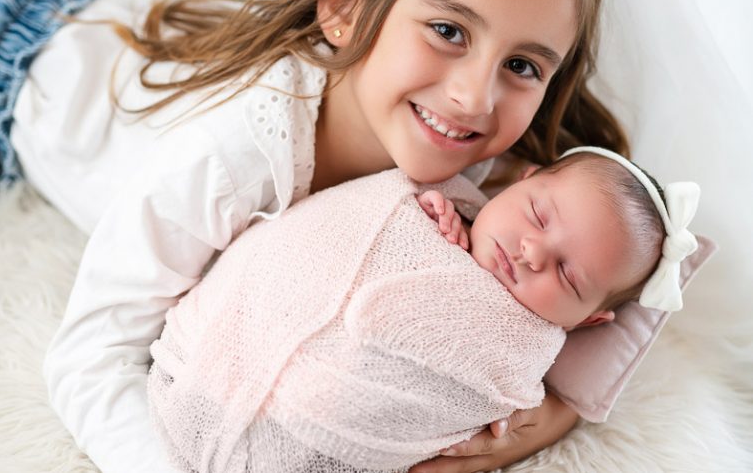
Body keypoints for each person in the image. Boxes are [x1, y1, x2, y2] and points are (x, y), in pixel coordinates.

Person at [0, 0, 632, 473]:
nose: (475, 97)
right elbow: (87, 359)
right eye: (448, 31)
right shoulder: (230, 157)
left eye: (521, 65)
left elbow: (653, 249)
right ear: (345, 12)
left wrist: (564, 408)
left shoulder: (505, 173)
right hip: (4, 27)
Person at [146, 147, 699, 472]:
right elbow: (328, 237)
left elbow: (493, 410)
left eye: (567, 275)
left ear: (586, 321)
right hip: (205, 364)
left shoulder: (525, 347)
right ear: (523, 179)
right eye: (537, 215)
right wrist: (436, 215)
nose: (532, 252)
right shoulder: (436, 200)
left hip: (310, 436)